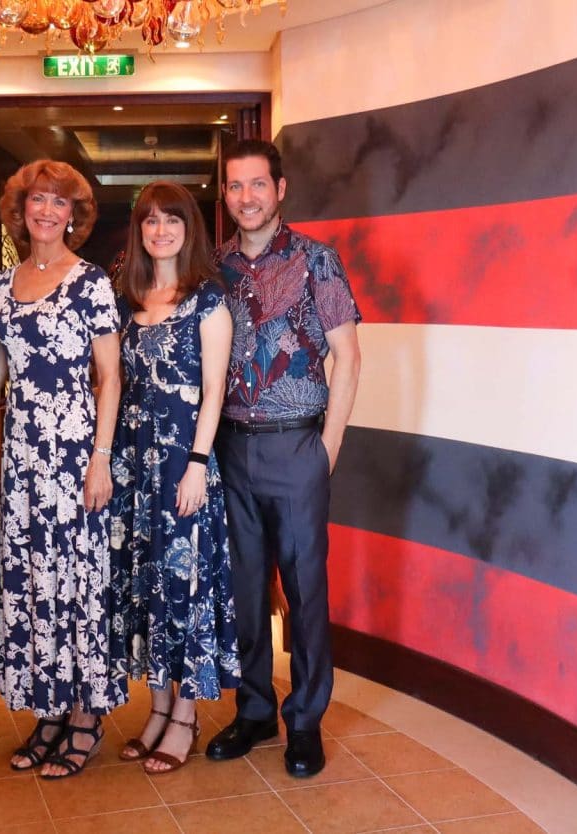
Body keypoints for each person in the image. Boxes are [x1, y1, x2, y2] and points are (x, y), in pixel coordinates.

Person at [205, 139, 361, 777]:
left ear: (281, 188)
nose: (247, 197)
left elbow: (347, 357)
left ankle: (305, 721)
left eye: (257, 185)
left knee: (304, 592)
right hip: (230, 449)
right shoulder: (212, 267)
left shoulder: (316, 262)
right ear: (226, 194)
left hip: (298, 444)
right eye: (236, 186)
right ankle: (253, 710)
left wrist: (327, 450)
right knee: (242, 590)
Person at [0, 159, 126, 778]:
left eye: (58, 202)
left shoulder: (91, 281)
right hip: (22, 457)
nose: (46, 211)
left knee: (76, 583)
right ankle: (48, 708)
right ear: (19, 211)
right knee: (34, 585)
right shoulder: (2, 284)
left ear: (74, 215)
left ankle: (84, 720)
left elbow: (110, 376)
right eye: (36, 201)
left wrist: (101, 459)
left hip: (75, 456)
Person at [109, 181, 239, 774]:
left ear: (190, 229)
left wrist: (195, 464)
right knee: (146, 588)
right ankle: (157, 709)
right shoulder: (127, 296)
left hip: (183, 467)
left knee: (183, 588)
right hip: (135, 467)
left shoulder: (207, 299)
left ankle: (184, 715)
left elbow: (214, 391)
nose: (160, 230)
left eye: (172, 220)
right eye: (150, 220)